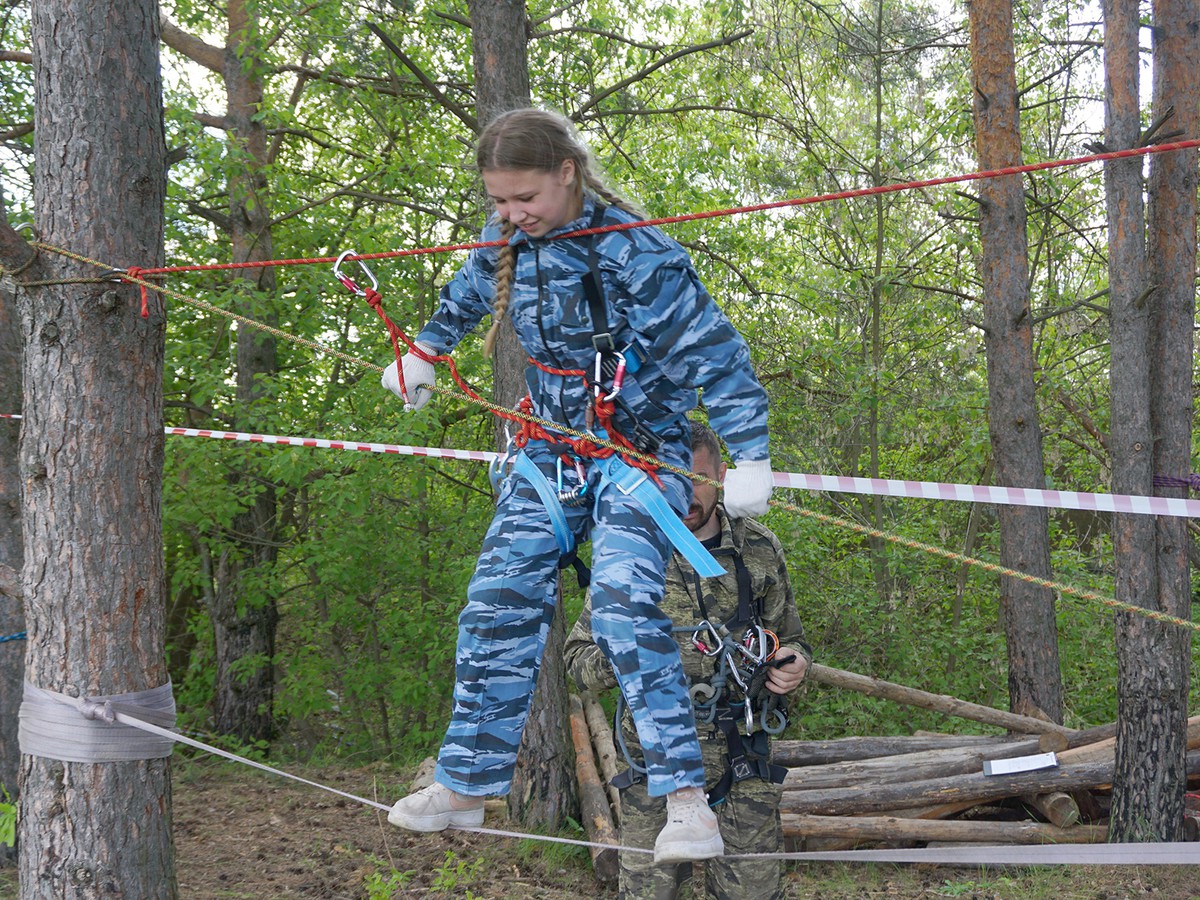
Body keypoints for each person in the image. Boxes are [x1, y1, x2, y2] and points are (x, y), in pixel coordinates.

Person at [383, 107, 775, 864]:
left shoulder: (637, 251)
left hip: (636, 455)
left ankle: (686, 804)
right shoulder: (508, 243)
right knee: (497, 599)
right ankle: (466, 781)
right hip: (547, 451)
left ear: (567, 172)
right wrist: (426, 349)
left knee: (627, 608)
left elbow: (712, 349)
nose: (511, 213)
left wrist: (749, 450)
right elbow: (465, 296)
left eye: (524, 196)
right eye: (498, 200)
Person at [565, 421, 810, 899]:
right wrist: (625, 658)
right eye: (671, 479)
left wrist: (794, 664)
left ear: (722, 474)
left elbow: (794, 640)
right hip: (653, 767)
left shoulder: (757, 548)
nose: (686, 495)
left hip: (744, 760)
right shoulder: (631, 553)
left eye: (698, 479)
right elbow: (577, 659)